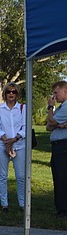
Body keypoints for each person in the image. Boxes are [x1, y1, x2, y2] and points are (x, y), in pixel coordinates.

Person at [0, 83, 27, 211]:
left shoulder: (22, 108)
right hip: (1, 144)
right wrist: (6, 141)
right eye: (8, 91)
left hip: (19, 144)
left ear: (17, 94)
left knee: (21, 176)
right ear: (5, 94)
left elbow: (25, 127)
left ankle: (22, 203)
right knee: (2, 175)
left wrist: (15, 139)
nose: (11, 94)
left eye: (14, 92)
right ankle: (4, 204)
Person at [46, 81, 67, 218]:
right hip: (57, 145)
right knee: (57, 176)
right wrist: (56, 123)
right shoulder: (60, 108)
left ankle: (63, 209)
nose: (54, 96)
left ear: (65, 91)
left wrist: (50, 107)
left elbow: (51, 121)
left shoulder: (65, 107)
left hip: (63, 145)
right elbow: (48, 126)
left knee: (62, 177)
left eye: (56, 92)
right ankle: (59, 207)